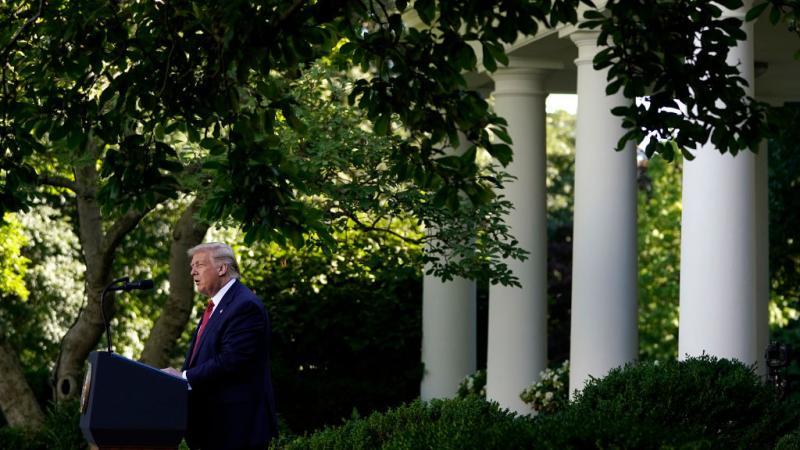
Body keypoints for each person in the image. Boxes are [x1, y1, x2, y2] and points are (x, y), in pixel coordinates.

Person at [163, 242, 278, 449]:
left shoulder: (244, 305)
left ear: (222, 268)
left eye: (199, 265)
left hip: (237, 428)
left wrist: (184, 378)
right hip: (215, 428)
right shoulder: (217, 306)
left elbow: (231, 361)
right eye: (191, 267)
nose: (192, 272)